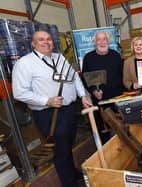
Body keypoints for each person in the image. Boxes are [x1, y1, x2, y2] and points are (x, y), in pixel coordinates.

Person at [12, 30, 92, 187]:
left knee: (68, 143)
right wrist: (46, 100)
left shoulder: (59, 57)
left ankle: (72, 173)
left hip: (68, 109)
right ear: (33, 44)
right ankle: (69, 183)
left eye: (49, 39)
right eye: (41, 40)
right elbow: (19, 92)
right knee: (61, 150)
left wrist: (83, 95)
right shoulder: (25, 63)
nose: (46, 42)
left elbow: (73, 77)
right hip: (49, 113)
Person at [82, 31, 124, 143]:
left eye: (104, 39)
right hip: (99, 102)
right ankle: (107, 152)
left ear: (108, 41)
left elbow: (123, 76)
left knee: (121, 128)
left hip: (117, 100)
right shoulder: (88, 58)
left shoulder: (115, 55)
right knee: (103, 131)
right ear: (94, 42)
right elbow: (85, 79)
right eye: (99, 39)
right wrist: (94, 91)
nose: (102, 42)